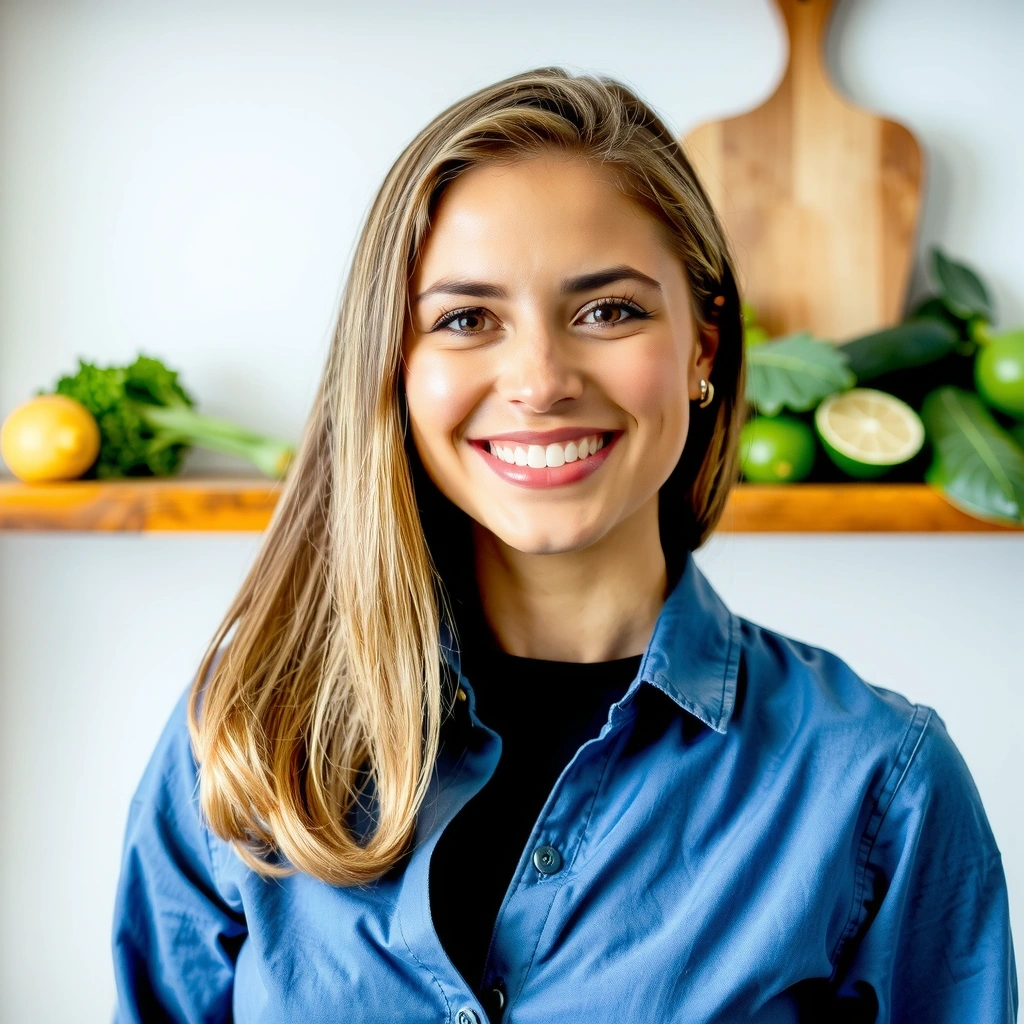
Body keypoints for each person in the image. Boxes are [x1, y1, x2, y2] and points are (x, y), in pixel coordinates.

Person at [111, 67, 1017, 1023]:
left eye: (609, 310)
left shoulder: (879, 783)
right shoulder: (248, 733)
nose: (540, 380)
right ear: (395, 366)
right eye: (466, 319)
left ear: (703, 348)